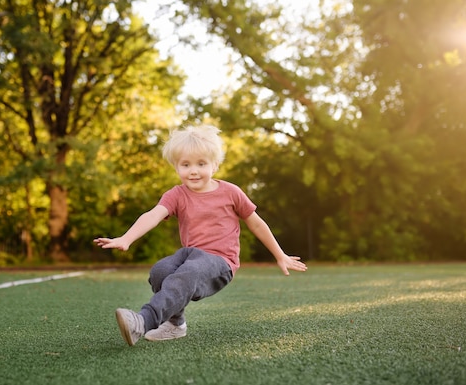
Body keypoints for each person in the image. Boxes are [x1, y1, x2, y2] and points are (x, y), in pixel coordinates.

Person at [93, 124, 307, 346]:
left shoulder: (231, 192)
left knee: (190, 271)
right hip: (190, 254)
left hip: (221, 261)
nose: (193, 171)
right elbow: (153, 215)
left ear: (215, 165)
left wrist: (280, 255)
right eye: (185, 164)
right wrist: (126, 238)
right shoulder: (176, 194)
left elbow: (257, 224)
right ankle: (175, 324)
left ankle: (143, 321)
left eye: (201, 164)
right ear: (176, 167)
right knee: (161, 271)